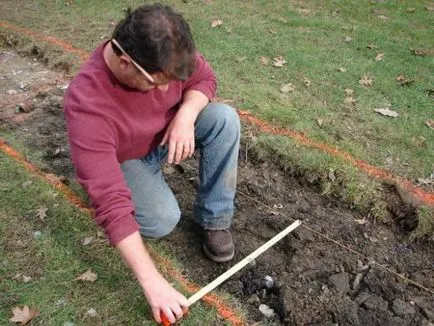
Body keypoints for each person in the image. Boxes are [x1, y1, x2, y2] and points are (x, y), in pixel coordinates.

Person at [63, 3, 240, 324]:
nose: (166, 89)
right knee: (161, 220)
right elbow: (111, 203)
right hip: (124, 160)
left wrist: (185, 116)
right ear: (125, 63)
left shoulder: (165, 52)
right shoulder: (87, 104)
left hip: (165, 135)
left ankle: (215, 219)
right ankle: (130, 181)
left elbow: (204, 77)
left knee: (223, 119)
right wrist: (152, 281)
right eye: (159, 84)